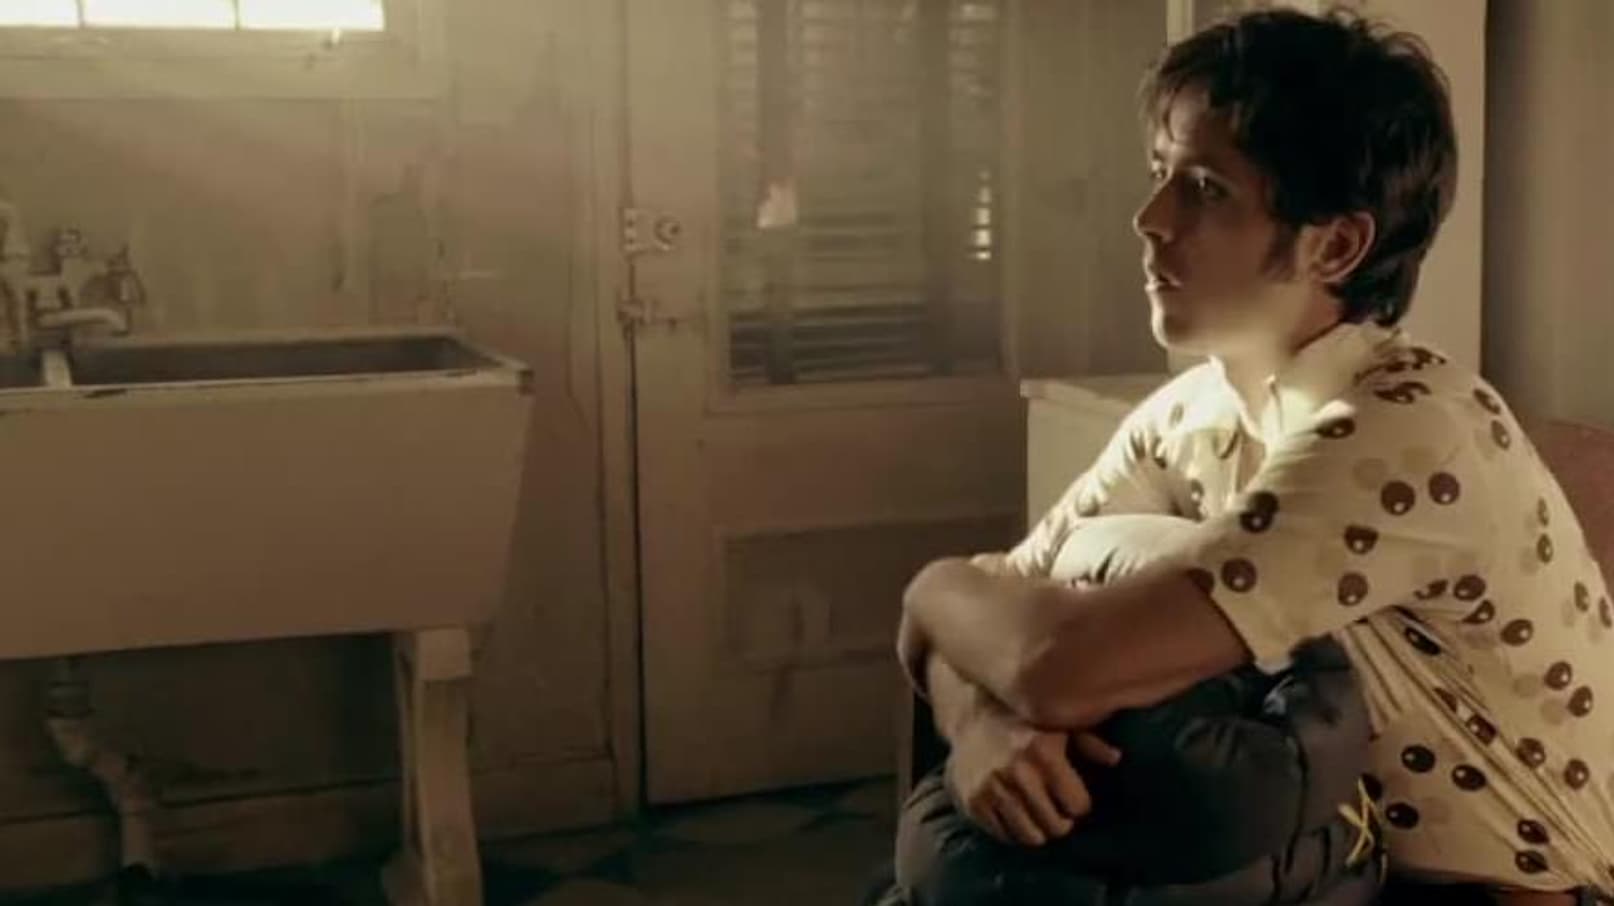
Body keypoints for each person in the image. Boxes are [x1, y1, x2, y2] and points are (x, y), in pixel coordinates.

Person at [896, 6, 1614, 905]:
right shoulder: (1190, 414)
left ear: (1335, 244)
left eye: (1206, 189)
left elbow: (1047, 661)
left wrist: (929, 588)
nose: (1149, 219)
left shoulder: (1410, 429)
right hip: (1332, 867)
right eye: (1160, 173)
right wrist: (979, 728)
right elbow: (996, 608)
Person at [892, 514, 1381, 906]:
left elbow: (1036, 662)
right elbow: (987, 599)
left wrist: (936, 593)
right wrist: (979, 717)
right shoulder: (1180, 432)